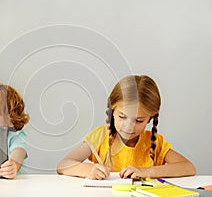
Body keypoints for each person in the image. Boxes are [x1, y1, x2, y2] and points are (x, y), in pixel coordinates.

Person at [56, 75, 196, 180]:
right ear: (112, 111)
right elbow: (63, 165)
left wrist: (146, 172)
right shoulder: (100, 137)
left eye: (139, 120)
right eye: (122, 117)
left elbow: (188, 167)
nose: (128, 126)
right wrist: (88, 170)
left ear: (150, 118)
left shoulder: (154, 143)